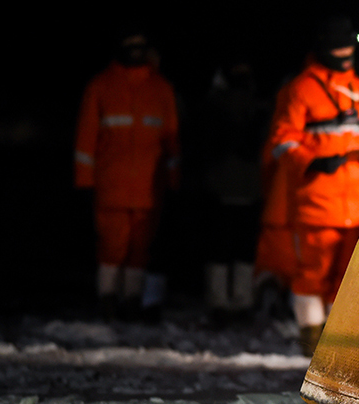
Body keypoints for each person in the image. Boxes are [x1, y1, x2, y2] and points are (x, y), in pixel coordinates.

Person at [264, 15, 359, 355]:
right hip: (317, 199)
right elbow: (282, 140)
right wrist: (312, 161)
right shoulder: (300, 88)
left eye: (349, 47)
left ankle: (338, 344)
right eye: (339, 48)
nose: (345, 53)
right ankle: (310, 337)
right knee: (312, 272)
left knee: (350, 277)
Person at [74, 28, 180, 321]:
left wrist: (173, 180)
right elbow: (86, 137)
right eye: (129, 43)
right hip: (112, 184)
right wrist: (84, 180)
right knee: (111, 245)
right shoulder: (101, 87)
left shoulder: (161, 89)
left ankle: (132, 300)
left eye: (140, 44)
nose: (135, 49)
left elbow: (171, 139)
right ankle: (108, 299)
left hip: (149, 186)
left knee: (140, 247)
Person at [193, 57, 269, 324]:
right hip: (222, 187)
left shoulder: (256, 105)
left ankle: (241, 302)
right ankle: (219, 303)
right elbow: (207, 147)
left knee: (242, 249)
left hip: (248, 188)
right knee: (221, 247)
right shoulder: (214, 105)